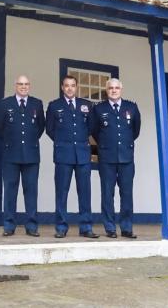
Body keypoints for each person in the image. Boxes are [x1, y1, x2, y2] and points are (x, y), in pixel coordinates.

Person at [46, 75, 98, 239]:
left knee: (85, 192)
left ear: (76, 87)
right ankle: (61, 227)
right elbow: (50, 129)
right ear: (62, 87)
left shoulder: (86, 105)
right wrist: (64, 142)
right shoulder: (54, 106)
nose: (70, 88)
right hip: (63, 154)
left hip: (82, 154)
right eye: (67, 85)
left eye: (73, 85)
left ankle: (86, 227)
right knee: (61, 192)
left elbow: (91, 127)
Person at [0, 75, 45, 237]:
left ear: (29, 86)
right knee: (10, 190)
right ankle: (9, 225)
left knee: (31, 191)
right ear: (15, 85)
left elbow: (40, 127)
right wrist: (11, 141)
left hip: (31, 154)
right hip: (11, 154)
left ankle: (31, 225)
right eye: (20, 84)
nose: (23, 86)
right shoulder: (4, 104)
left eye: (26, 84)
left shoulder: (36, 104)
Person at [92, 78, 141, 239]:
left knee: (127, 194)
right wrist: (107, 144)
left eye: (116, 88)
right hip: (107, 158)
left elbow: (135, 131)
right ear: (106, 90)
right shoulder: (99, 109)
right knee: (107, 194)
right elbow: (94, 131)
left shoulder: (131, 107)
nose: (114, 90)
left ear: (121, 89)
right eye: (110, 88)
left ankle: (126, 228)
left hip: (126, 158)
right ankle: (110, 228)